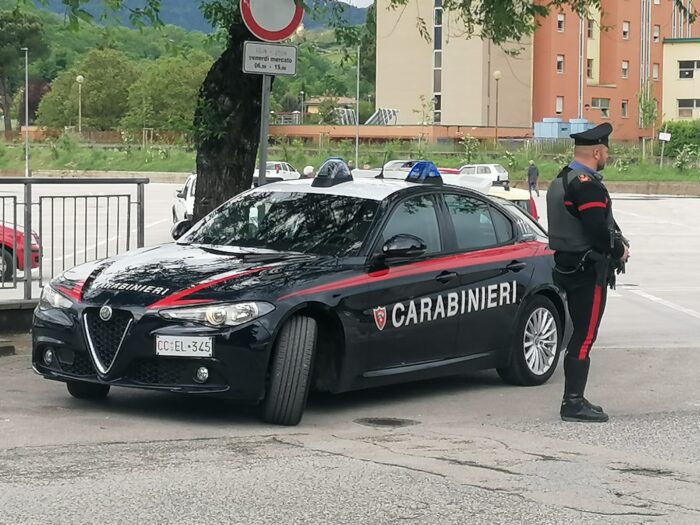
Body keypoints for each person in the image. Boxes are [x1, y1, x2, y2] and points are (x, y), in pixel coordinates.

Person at [546, 123, 630, 423]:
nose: (607, 154)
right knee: (584, 336)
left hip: (565, 266)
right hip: (587, 270)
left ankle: (575, 399)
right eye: (605, 150)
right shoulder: (587, 184)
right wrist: (619, 250)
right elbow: (597, 231)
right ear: (597, 151)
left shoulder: (562, 178)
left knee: (580, 334)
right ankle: (573, 403)